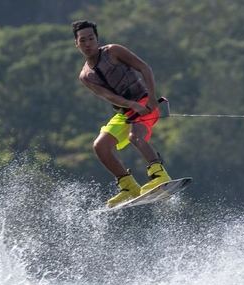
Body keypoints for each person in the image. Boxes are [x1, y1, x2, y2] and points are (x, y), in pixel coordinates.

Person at [72, 19, 172, 207]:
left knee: (136, 137)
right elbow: (107, 95)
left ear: (97, 39)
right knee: (100, 146)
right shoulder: (85, 76)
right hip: (126, 111)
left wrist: (151, 97)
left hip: (145, 101)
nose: (87, 44)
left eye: (91, 39)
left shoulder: (113, 51)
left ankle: (159, 175)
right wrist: (131, 105)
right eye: (83, 40)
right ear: (76, 43)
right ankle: (128, 187)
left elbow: (144, 68)